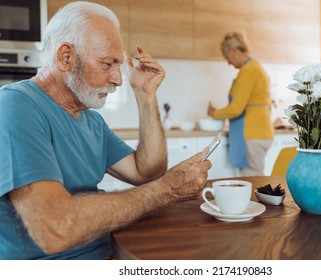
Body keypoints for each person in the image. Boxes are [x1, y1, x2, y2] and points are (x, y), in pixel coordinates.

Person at [0, 2, 211, 260]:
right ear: (66, 57)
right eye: (107, 63)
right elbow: (55, 228)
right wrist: (166, 189)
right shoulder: (14, 106)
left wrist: (145, 95)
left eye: (118, 65)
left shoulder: (90, 120)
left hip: (111, 251)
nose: (118, 79)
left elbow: (146, 171)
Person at [207, 31, 274, 176]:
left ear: (234, 50)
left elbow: (236, 108)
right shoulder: (256, 67)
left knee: (252, 182)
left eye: (227, 57)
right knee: (252, 180)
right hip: (260, 132)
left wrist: (214, 113)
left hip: (253, 134)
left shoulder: (248, 71)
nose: (228, 62)